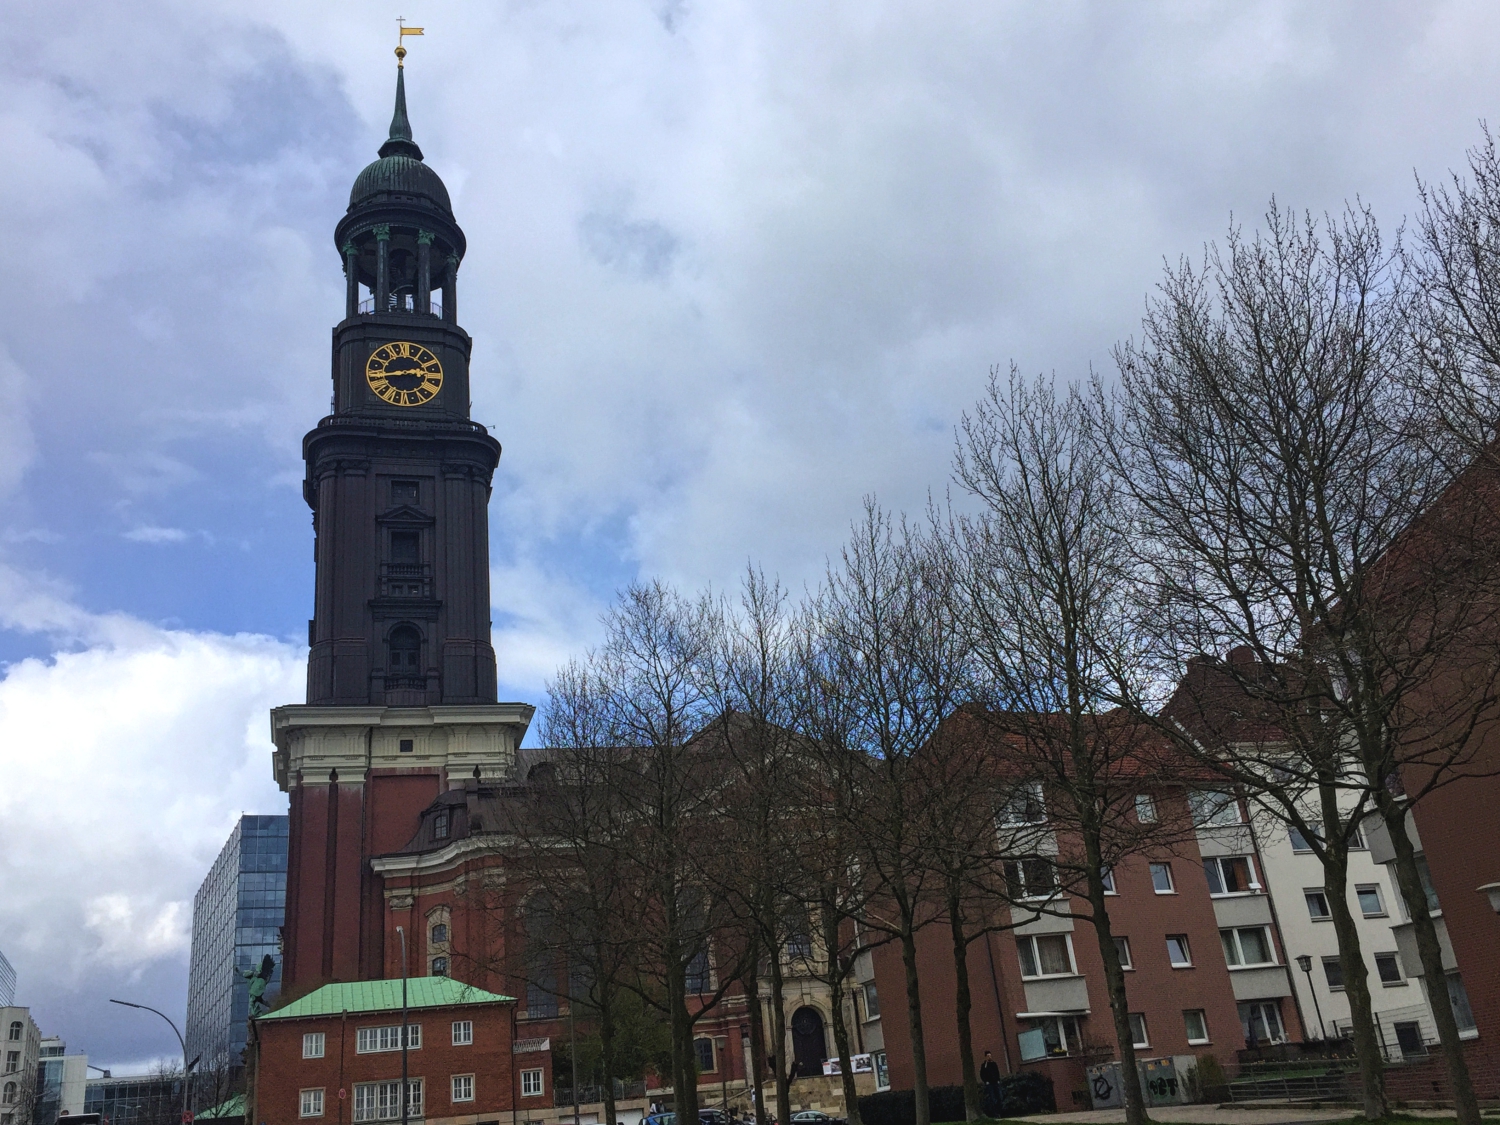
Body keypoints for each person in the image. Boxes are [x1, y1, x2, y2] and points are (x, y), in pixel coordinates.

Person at [979, 1050, 1002, 1117]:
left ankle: (999, 1112)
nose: (989, 1057)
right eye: (988, 1056)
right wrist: (986, 1081)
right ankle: (995, 1113)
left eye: (990, 1055)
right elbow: (982, 1074)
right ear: (986, 1057)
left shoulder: (994, 1064)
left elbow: (997, 1072)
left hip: (995, 1083)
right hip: (990, 1084)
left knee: (999, 1097)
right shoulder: (984, 1065)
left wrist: (998, 1080)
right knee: (992, 1098)